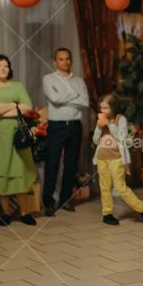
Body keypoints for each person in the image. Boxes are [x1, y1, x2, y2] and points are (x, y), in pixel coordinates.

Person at [0, 55, 38, 226]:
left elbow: (27, 107)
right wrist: (14, 105)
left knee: (20, 172)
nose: (2, 68)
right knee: (1, 172)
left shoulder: (18, 86)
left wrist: (2, 111)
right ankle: (5, 213)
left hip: (17, 135)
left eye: (6, 65)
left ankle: (24, 213)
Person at [42, 47, 88, 216]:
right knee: (52, 164)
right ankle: (48, 202)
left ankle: (65, 200)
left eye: (68, 58)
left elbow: (85, 101)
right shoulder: (48, 79)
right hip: (56, 126)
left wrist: (64, 98)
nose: (65, 61)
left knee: (71, 165)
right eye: (61, 59)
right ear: (55, 62)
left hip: (75, 126)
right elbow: (54, 99)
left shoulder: (79, 80)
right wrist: (73, 95)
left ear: (71, 60)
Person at [93, 94, 143, 225]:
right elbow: (95, 140)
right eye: (101, 108)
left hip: (117, 159)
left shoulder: (121, 120)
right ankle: (107, 214)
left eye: (106, 108)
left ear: (113, 108)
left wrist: (109, 124)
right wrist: (98, 128)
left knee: (120, 187)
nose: (103, 111)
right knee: (104, 187)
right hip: (102, 159)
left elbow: (121, 137)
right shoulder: (100, 122)